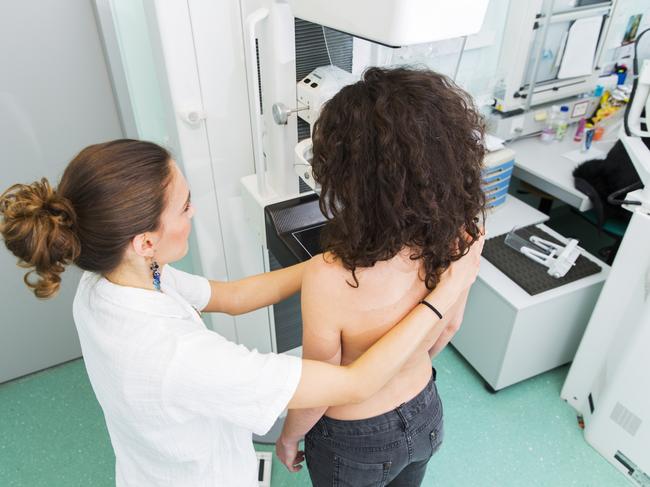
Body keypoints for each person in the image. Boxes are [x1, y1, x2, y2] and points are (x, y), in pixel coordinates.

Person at [0, 139, 483, 487]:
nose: (194, 211)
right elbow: (355, 382)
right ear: (145, 241)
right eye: (186, 206)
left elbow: (232, 296)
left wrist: (333, 264)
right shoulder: (176, 357)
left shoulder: (109, 280)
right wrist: (447, 292)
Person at [276, 67, 486, 486]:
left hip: (354, 438)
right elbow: (449, 326)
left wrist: (289, 436)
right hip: (425, 407)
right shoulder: (462, 235)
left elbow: (321, 385)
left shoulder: (330, 277)